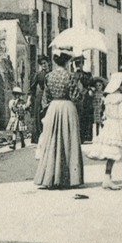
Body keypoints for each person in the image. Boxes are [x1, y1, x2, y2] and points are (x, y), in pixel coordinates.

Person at [35, 50, 84, 189]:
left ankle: (50, 177)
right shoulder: (70, 76)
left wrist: (47, 110)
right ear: (67, 62)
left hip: (53, 108)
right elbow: (76, 97)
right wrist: (80, 89)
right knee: (69, 140)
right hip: (67, 107)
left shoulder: (49, 76)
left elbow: (46, 97)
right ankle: (68, 178)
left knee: (53, 141)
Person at [94, 72, 122, 189]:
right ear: (118, 84)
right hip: (119, 126)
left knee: (112, 152)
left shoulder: (108, 98)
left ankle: (107, 177)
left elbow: (105, 113)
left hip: (110, 125)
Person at [28, 56, 49, 144]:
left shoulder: (51, 74)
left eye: (45, 63)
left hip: (49, 96)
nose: (44, 65)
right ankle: (38, 136)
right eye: (42, 64)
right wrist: (29, 99)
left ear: (48, 63)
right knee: (39, 115)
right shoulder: (38, 74)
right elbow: (32, 88)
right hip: (40, 96)